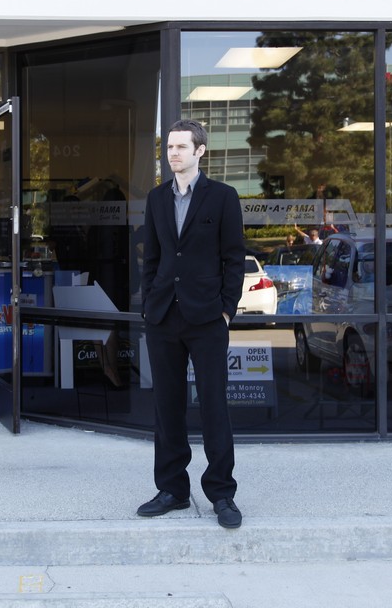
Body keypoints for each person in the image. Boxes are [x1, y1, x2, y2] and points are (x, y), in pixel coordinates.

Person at [137, 119, 245, 529]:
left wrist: (226, 310)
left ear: (200, 151)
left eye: (182, 147)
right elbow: (152, 259)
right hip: (163, 316)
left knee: (214, 406)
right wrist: (149, 304)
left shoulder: (223, 197)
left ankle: (221, 493)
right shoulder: (156, 198)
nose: (173, 153)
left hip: (207, 319)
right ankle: (173, 490)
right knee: (167, 408)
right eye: (169, 147)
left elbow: (234, 258)